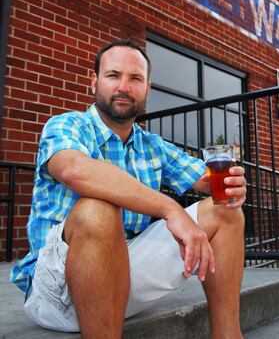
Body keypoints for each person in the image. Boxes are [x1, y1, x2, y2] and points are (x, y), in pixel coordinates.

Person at [10, 40, 246, 339]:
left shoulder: (152, 145)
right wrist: (170, 208)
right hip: (56, 291)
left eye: (134, 78)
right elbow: (72, 170)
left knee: (225, 210)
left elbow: (206, 178)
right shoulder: (67, 125)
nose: (123, 86)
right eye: (113, 75)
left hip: (124, 279)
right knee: (97, 208)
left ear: (147, 88)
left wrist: (232, 182)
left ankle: (228, 335)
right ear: (94, 82)